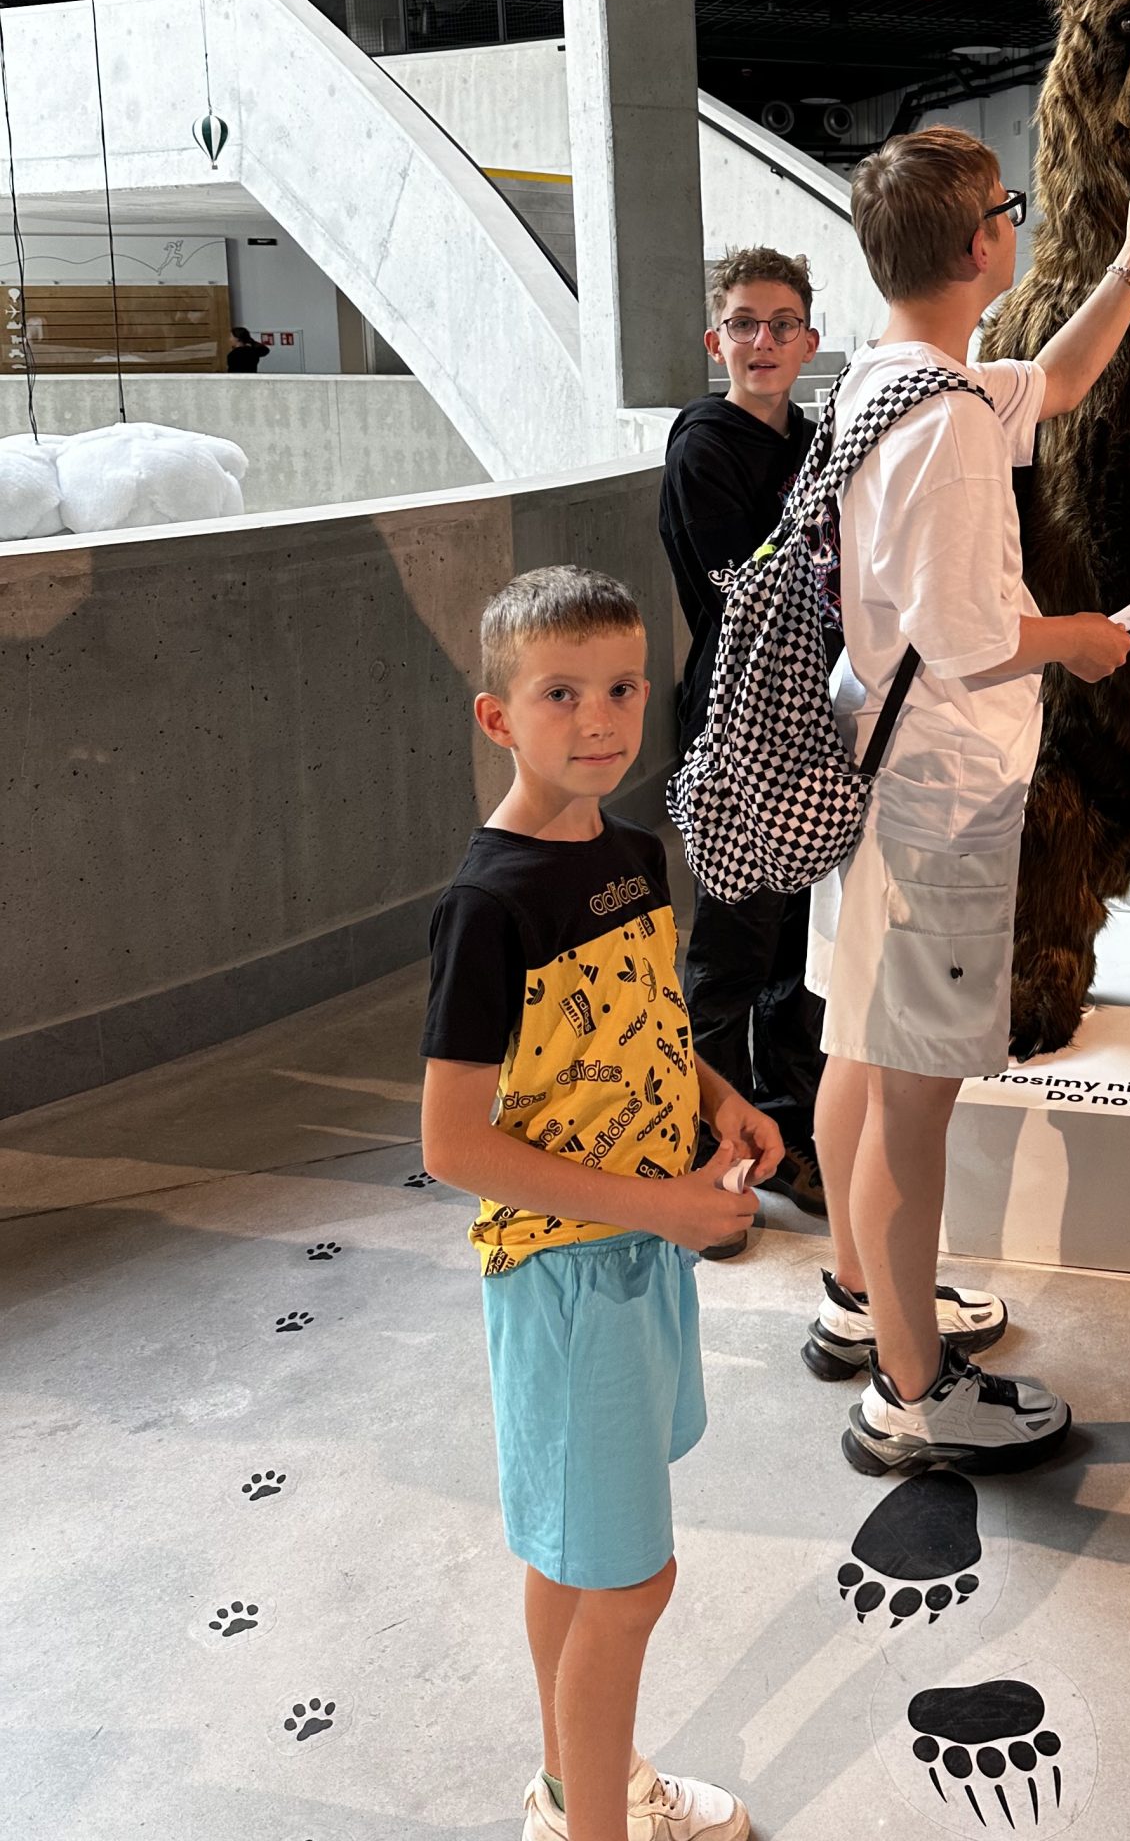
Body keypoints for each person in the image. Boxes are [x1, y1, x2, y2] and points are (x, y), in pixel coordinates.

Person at [807, 123, 1130, 1473]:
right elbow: (970, 636)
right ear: (981, 244)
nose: (1017, 225)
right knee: (913, 1102)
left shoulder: (885, 385)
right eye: (1009, 209)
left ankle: (865, 1299)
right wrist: (1078, 637)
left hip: (872, 768)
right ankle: (912, 1385)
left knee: (862, 1052)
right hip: (939, 797)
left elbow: (1060, 380)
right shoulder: (949, 425)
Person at [418, 565, 779, 1841]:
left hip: (640, 1255)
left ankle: (580, 1786)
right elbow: (452, 1141)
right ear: (498, 716)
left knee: (575, 1558)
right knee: (634, 1581)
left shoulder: (632, 853)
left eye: (623, 687)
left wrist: (717, 1097)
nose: (601, 719)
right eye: (560, 693)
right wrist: (659, 1206)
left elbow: (640, 1022)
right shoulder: (488, 906)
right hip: (569, 1277)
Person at [659, 247, 828, 1238]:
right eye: (744, 324)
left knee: (799, 952)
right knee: (731, 954)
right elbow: (755, 586)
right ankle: (708, 1161)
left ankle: (791, 1134)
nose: (762, 341)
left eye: (782, 324)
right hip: (734, 732)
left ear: (809, 341)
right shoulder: (704, 448)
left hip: (809, 728)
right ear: (715, 339)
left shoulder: (814, 439)